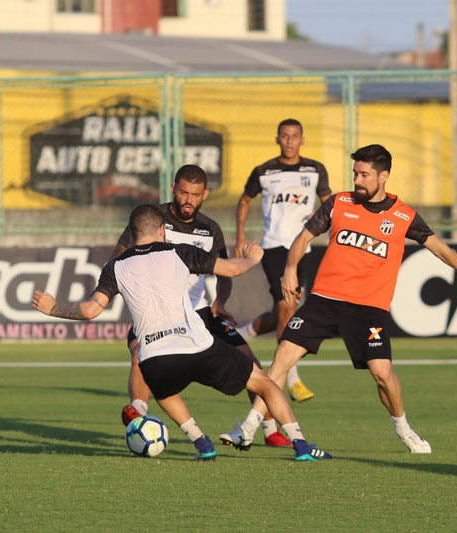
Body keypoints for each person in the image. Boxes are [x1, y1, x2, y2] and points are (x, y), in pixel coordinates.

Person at [221, 144, 457, 454]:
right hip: (324, 300)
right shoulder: (339, 203)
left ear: (384, 176)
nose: (357, 180)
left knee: (382, 375)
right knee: (281, 358)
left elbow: (441, 248)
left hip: (367, 308)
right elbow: (304, 237)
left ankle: (403, 428)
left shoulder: (403, 216)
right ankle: (249, 427)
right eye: (355, 174)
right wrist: (291, 268)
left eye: (364, 175)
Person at [33, 204, 332, 461]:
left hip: (154, 357)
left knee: (164, 392)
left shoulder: (115, 267)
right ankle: (301, 445)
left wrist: (54, 308)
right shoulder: (179, 252)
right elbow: (233, 269)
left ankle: (202, 443)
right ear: (162, 230)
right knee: (264, 383)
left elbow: (89, 310)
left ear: (132, 233)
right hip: (196, 346)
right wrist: (253, 258)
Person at [110, 164, 291, 448]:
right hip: (160, 314)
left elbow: (224, 271)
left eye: (195, 194)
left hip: (201, 311)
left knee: (251, 363)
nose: (188, 200)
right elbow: (120, 256)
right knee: (138, 354)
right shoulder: (152, 220)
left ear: (204, 194)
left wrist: (221, 300)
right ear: (173, 189)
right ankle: (138, 413)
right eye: (183, 192)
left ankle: (268, 428)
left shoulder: (209, 229)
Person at [234, 118, 332, 403]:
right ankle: (291, 378)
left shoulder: (315, 170)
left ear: (302, 139)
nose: (289, 141)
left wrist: (326, 223)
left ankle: (240, 334)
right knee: (287, 305)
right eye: (285, 136)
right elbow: (243, 200)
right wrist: (241, 236)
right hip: (274, 246)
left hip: (302, 247)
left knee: (285, 312)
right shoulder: (264, 171)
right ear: (277, 139)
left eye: (295, 136)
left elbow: (329, 203)